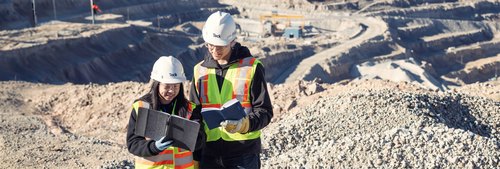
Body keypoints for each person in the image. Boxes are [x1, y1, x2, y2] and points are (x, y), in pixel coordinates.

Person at [190, 11, 274, 168]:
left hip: (243, 152)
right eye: (210, 45)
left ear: (232, 41)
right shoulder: (199, 71)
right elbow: (194, 113)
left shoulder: (251, 67)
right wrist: (195, 151)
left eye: (220, 46)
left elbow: (265, 112)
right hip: (209, 154)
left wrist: (243, 125)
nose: (215, 50)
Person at [127, 56, 205, 169]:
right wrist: (154, 147)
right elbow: (133, 144)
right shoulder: (142, 107)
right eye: (167, 86)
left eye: (176, 86)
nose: (172, 91)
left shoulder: (190, 109)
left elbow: (200, 142)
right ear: (157, 84)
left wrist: (193, 137)